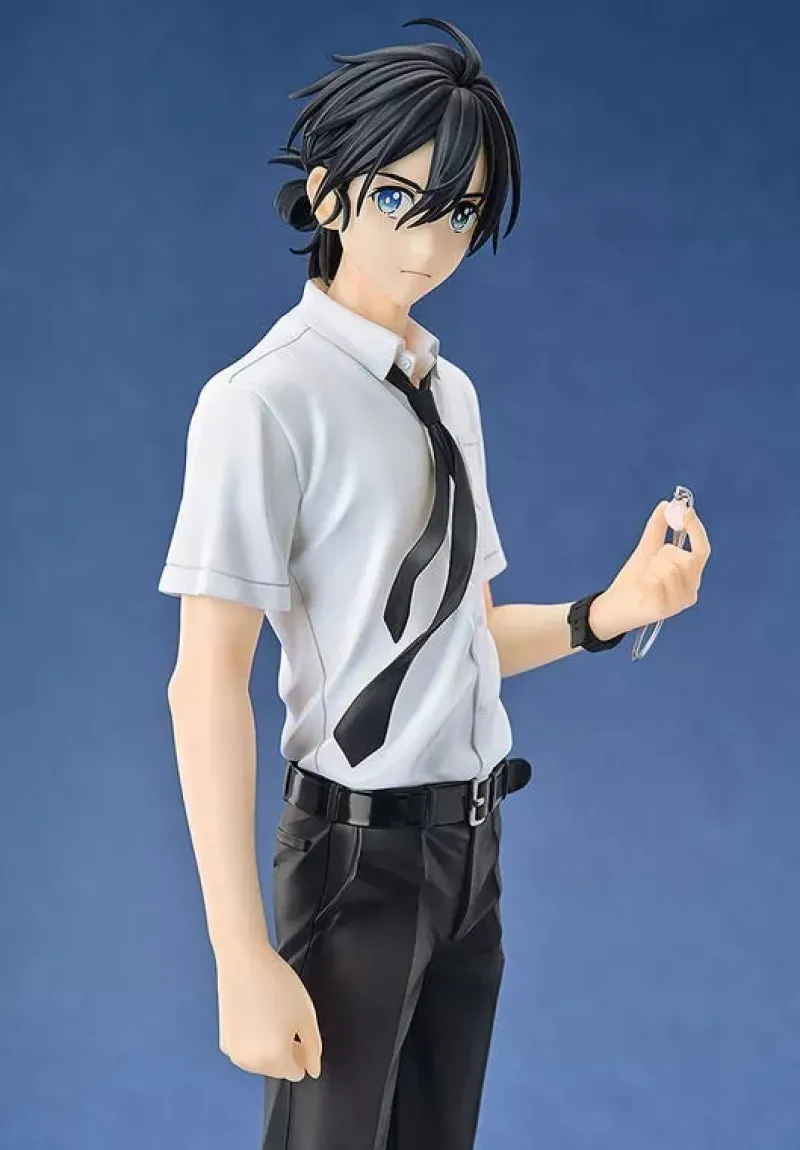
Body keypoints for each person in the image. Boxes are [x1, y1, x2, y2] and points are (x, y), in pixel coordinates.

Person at [158, 18, 711, 1150]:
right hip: (354, 857)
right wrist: (237, 948)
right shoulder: (261, 403)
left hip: (470, 855)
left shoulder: (447, 393)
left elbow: (456, 640)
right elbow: (206, 680)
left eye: (460, 212)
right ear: (328, 196)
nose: (432, 240)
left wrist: (608, 613)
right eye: (399, 199)